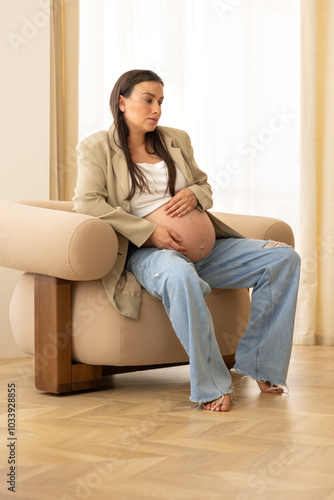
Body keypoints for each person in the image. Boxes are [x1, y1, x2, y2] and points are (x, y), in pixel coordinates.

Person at [73, 69, 300, 412]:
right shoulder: (96, 148)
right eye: (147, 100)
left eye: (161, 101)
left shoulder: (175, 139)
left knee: (283, 259)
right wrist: (149, 232)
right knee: (179, 275)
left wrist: (194, 194)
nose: (156, 109)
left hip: (208, 252)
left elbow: (204, 185)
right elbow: (87, 203)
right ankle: (211, 385)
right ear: (122, 102)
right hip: (149, 254)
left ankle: (261, 364)